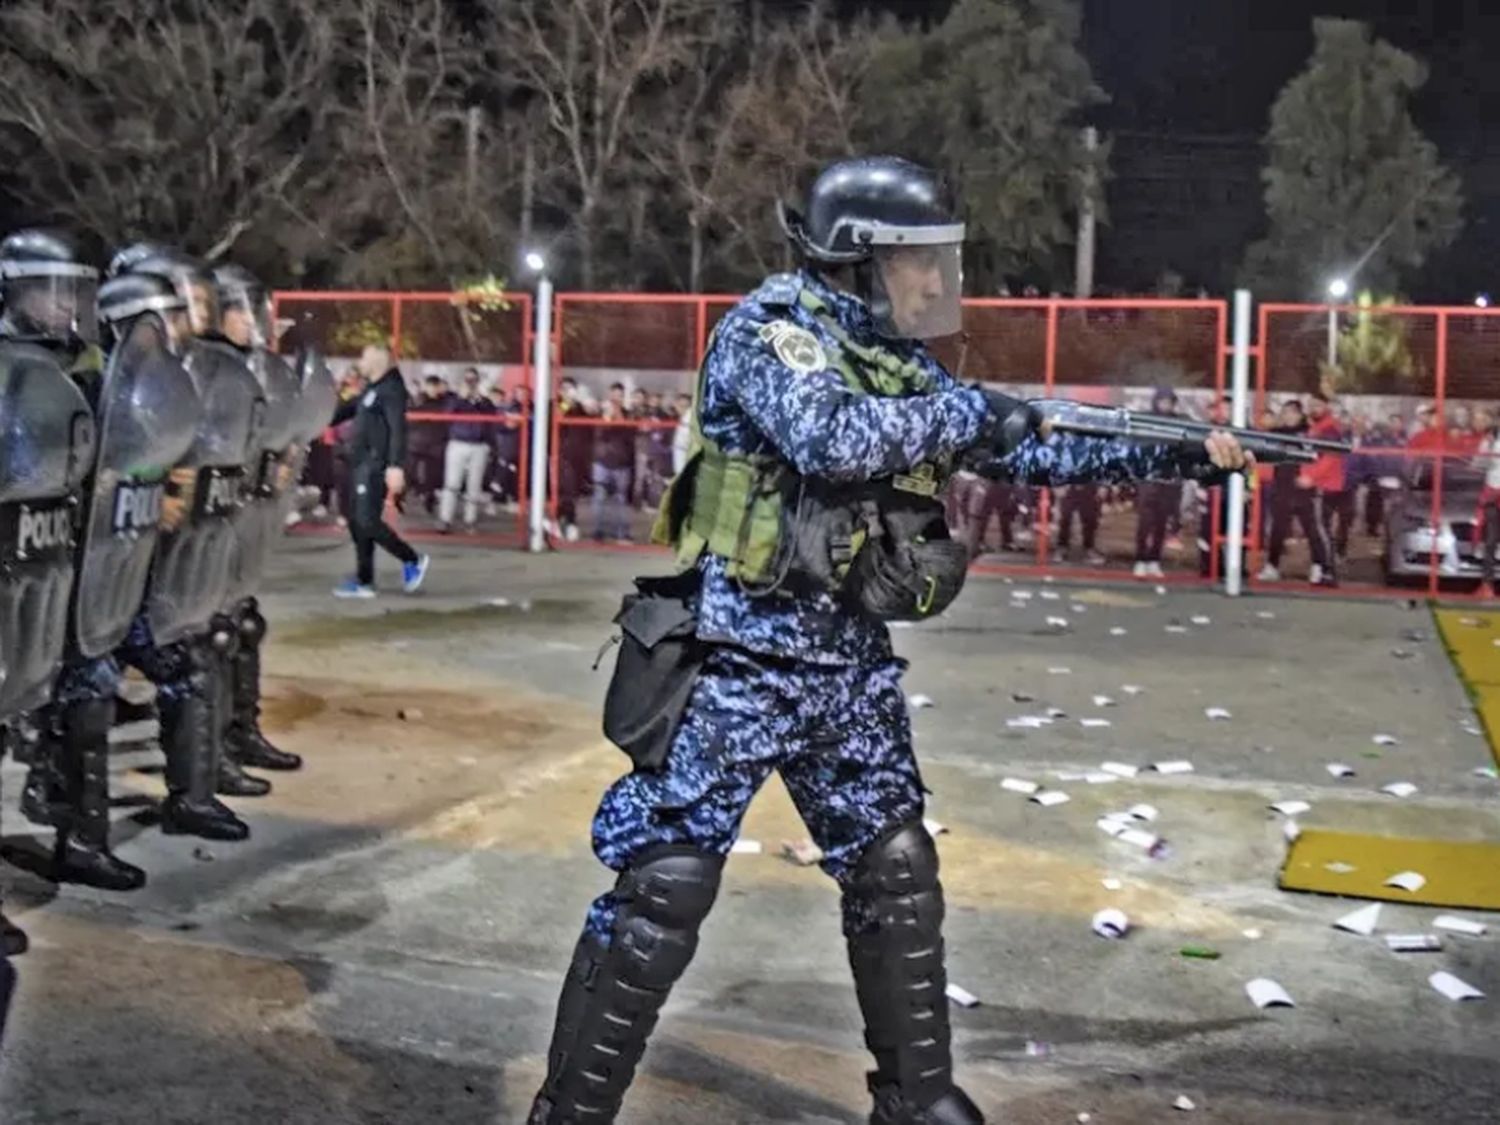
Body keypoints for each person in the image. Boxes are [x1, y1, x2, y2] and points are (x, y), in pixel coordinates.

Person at [525, 155, 1250, 1125]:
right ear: (857, 258)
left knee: (895, 870)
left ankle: (914, 1100)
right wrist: (969, 412)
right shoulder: (770, 334)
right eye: (916, 262)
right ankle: (566, 1114)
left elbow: (1027, 444)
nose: (933, 282)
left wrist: (1181, 454)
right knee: (664, 885)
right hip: (739, 658)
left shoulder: (893, 360)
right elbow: (835, 438)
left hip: (846, 670)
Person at [0, 230, 111, 939]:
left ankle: (80, 835)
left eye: (73, 288)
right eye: (50, 287)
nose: (64, 302)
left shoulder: (90, 365)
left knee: (83, 690)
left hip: (59, 563)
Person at [330, 345, 430, 597]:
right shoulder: (370, 389)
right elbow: (344, 411)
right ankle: (365, 581)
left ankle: (412, 559)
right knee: (356, 521)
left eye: (365, 356)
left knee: (367, 521)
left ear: (379, 360)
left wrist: (395, 466)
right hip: (360, 463)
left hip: (375, 465)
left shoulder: (392, 390)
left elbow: (398, 429)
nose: (360, 361)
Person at [1132, 387, 1183, 577]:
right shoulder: (1147, 420)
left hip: (1169, 479)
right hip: (1149, 478)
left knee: (1162, 522)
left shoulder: (1178, 422)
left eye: (1169, 402)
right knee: (1145, 522)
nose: (1166, 405)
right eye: (1162, 401)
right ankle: (1140, 559)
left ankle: (1154, 559)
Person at [438, 367, 495, 533]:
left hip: (479, 445)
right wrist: (461, 398)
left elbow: (491, 415)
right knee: (451, 483)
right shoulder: (453, 399)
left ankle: (470, 520)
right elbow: (447, 414)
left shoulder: (484, 401)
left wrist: (479, 399)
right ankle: (445, 519)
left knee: (474, 485)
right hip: (458, 443)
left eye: (473, 380)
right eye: (467, 380)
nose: (470, 384)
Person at [590, 383, 634, 542]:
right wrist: (606, 417)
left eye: (620, 395)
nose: (616, 399)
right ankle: (598, 531)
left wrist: (619, 415)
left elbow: (629, 435)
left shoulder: (629, 414)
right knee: (599, 496)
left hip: (622, 463)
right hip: (602, 461)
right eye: (614, 395)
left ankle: (622, 533)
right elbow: (599, 434)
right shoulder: (601, 413)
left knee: (621, 498)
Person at [407, 374, 452, 514]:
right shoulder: (417, 400)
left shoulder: (446, 402)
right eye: (430, 386)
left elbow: (448, 420)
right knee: (409, 472)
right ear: (425, 386)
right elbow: (409, 417)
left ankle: (429, 498)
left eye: (435, 386)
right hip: (416, 441)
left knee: (432, 475)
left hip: (435, 443)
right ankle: (401, 495)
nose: (432, 389)